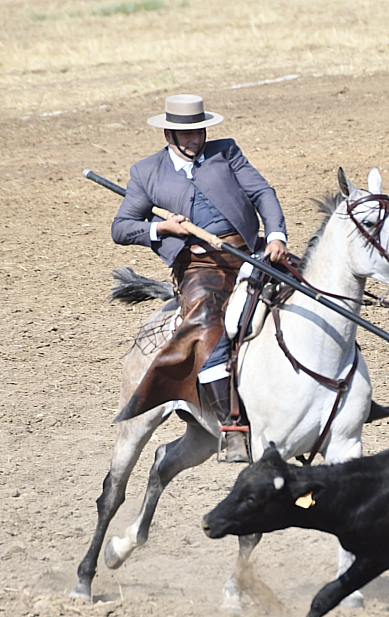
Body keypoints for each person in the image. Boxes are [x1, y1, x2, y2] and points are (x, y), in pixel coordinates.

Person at [110, 94, 288, 462]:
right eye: (186, 134)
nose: (195, 139)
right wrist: (163, 227)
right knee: (211, 331)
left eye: (199, 131)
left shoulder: (226, 152)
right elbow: (122, 227)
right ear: (169, 135)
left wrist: (276, 236)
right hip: (200, 268)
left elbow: (262, 193)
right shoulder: (146, 173)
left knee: (312, 288)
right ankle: (232, 428)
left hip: (250, 254)